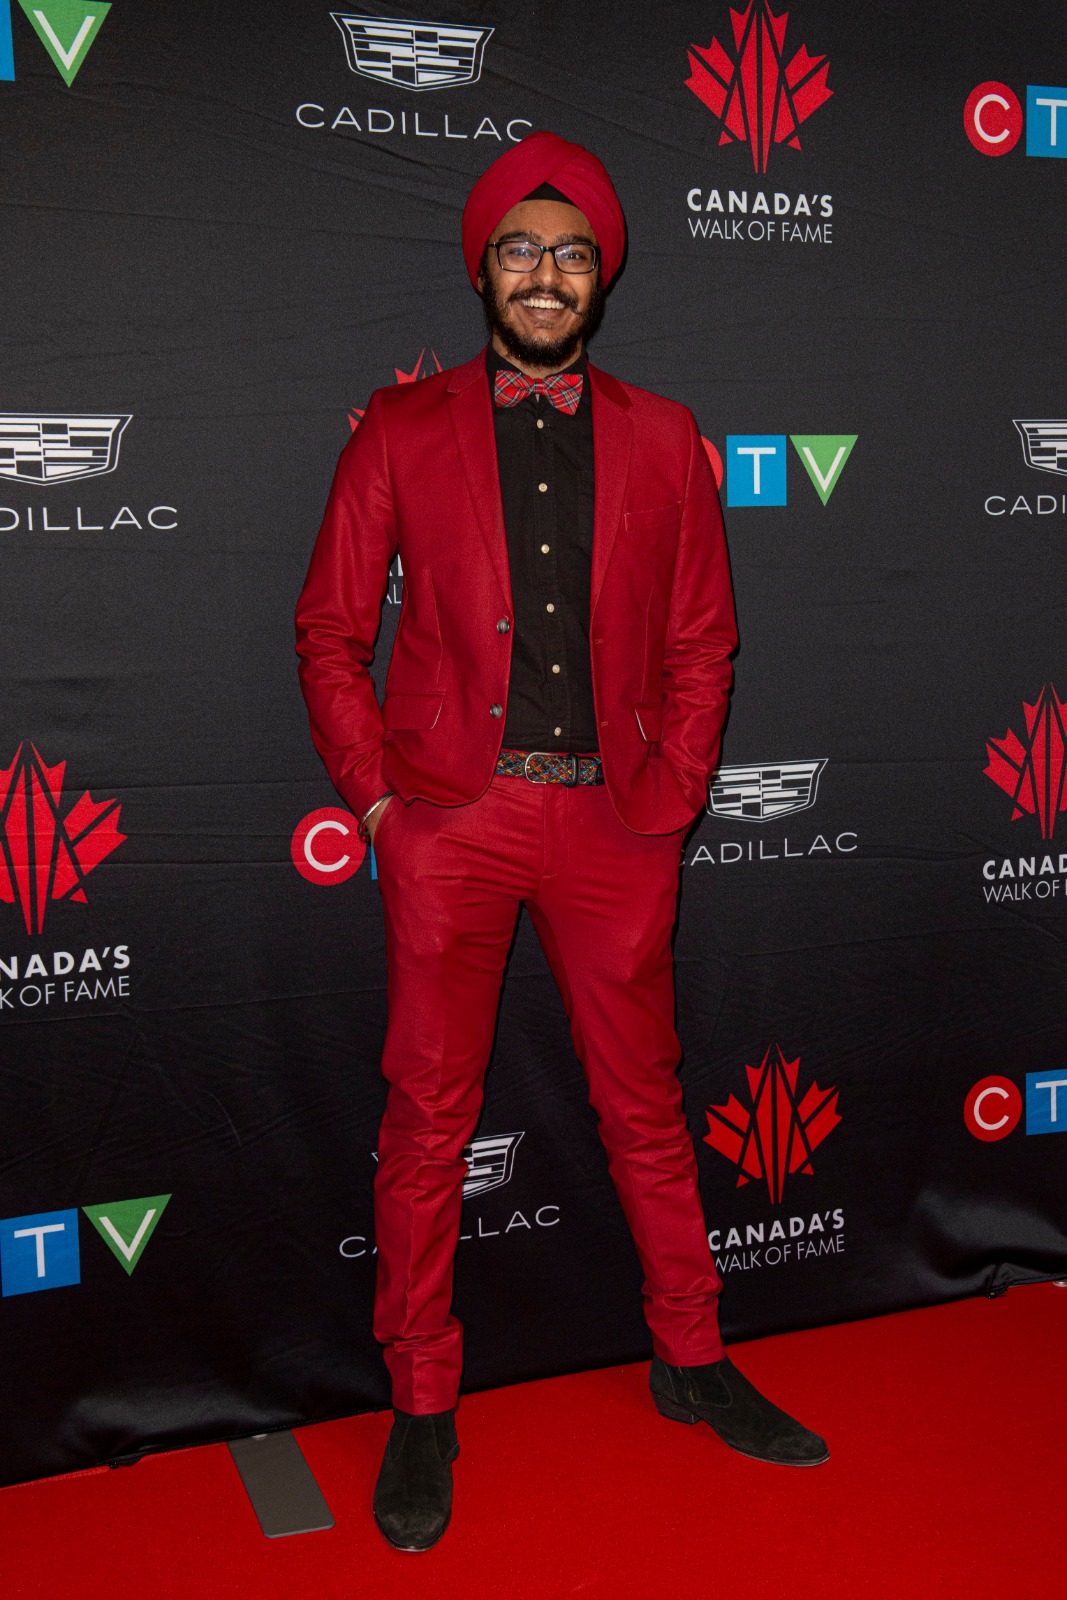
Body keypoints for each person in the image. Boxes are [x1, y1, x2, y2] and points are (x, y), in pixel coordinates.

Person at [295, 130, 827, 1553]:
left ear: (603, 277)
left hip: (615, 824)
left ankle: (691, 1357)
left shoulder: (665, 437)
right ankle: (422, 1396)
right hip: (450, 824)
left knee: (646, 1103)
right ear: (483, 267)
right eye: (522, 251)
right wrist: (382, 805)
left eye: (573, 254)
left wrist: (675, 794)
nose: (546, 275)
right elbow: (331, 633)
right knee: (428, 1117)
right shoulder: (399, 430)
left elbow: (705, 641)